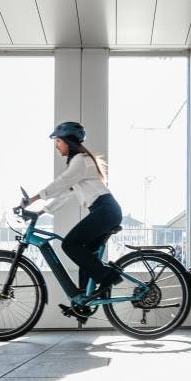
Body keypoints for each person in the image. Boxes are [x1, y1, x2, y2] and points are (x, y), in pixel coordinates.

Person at [22, 121, 123, 297]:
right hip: (105, 211)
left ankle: (108, 276)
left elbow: (60, 183)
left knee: (70, 244)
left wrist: (32, 199)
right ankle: (84, 300)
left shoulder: (80, 161)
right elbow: (65, 194)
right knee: (86, 255)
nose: (56, 146)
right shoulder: (79, 163)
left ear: (68, 141)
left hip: (105, 210)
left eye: (58, 141)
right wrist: (40, 212)